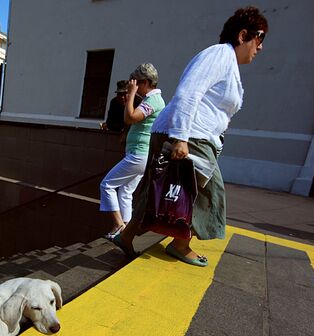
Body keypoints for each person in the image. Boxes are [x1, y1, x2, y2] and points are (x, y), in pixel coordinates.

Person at [113, 6, 268, 266]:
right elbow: (189, 93)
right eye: (259, 38)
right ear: (243, 35)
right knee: (208, 191)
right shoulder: (219, 55)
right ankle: (180, 244)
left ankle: (127, 235)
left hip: (190, 134)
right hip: (189, 134)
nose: (261, 47)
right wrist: (181, 138)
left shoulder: (228, 63)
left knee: (161, 189)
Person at [99, 63, 165, 240]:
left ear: (144, 82)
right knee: (126, 192)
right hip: (141, 154)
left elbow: (129, 118)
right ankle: (126, 231)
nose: (132, 84)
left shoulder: (153, 100)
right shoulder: (153, 100)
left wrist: (130, 96)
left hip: (139, 154)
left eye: (135, 81)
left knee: (107, 185)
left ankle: (118, 224)